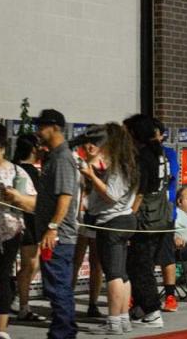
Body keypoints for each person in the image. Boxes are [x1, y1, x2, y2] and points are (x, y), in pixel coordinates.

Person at [4, 110, 80, 339]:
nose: (38, 131)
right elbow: (47, 200)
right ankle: (64, 330)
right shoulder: (54, 157)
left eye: (41, 126)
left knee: (58, 287)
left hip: (58, 236)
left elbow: (65, 197)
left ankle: (63, 333)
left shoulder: (63, 158)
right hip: (53, 233)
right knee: (55, 286)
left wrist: (53, 227)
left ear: (54, 127)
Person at [74, 123, 138, 336]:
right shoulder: (125, 163)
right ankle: (122, 319)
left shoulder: (121, 166)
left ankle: (114, 320)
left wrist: (91, 176)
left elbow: (111, 195)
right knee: (121, 274)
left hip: (113, 222)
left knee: (113, 274)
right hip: (122, 220)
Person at [0, 122, 35, 339]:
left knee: (1, 278)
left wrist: (16, 197)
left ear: (3, 148)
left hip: (9, 232)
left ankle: (0, 327)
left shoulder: (16, 171)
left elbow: (33, 203)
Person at [123, 114, 173, 330]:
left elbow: (140, 193)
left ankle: (152, 310)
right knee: (141, 264)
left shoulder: (144, 157)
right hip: (161, 216)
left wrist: (129, 218)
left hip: (147, 219)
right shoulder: (160, 154)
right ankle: (143, 307)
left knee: (140, 266)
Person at [13, 133, 47, 322]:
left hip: (31, 223)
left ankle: (20, 301)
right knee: (30, 264)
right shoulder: (23, 170)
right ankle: (22, 304)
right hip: (25, 222)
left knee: (32, 264)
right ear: (33, 148)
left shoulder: (31, 169)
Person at [73, 129, 105, 319]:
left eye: (95, 143)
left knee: (96, 263)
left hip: (96, 218)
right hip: (78, 218)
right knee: (75, 260)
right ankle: (66, 300)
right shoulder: (78, 162)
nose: (90, 146)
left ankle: (93, 304)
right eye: (88, 143)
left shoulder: (105, 164)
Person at [157, 127, 180, 313]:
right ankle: (137, 296)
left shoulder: (169, 152)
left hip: (165, 212)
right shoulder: (139, 152)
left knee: (166, 256)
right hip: (145, 214)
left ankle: (170, 295)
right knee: (143, 257)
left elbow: (171, 175)